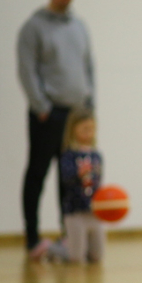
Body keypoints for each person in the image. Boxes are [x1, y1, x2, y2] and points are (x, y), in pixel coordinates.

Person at [17, 0, 95, 261]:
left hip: (76, 116)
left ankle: (69, 237)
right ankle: (33, 238)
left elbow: (89, 68)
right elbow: (27, 69)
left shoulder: (79, 26)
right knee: (37, 174)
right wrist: (42, 107)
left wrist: (89, 106)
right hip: (47, 115)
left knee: (71, 179)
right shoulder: (34, 27)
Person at [58, 110, 104, 263]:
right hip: (75, 211)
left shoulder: (96, 155)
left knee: (97, 256)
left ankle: (71, 245)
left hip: (94, 211)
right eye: (84, 129)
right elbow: (65, 178)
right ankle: (54, 249)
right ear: (73, 130)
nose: (89, 132)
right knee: (76, 258)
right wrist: (79, 174)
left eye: (91, 129)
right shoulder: (69, 155)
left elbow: (98, 182)